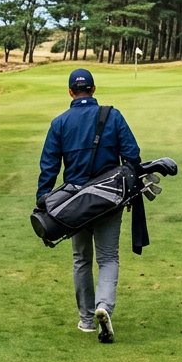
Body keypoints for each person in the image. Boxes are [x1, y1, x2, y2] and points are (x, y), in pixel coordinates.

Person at [37, 68, 141, 344]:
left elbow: (49, 167)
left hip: (75, 204)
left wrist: (44, 199)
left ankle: (86, 319)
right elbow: (132, 156)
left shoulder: (59, 123)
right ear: (93, 90)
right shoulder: (113, 115)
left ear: (71, 92)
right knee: (108, 258)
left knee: (81, 259)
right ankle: (104, 307)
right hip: (109, 200)